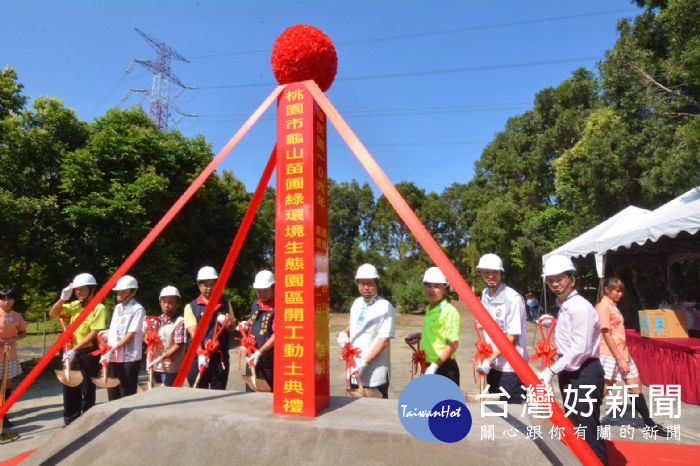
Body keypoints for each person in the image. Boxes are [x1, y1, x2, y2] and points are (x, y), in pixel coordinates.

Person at [538, 255, 607, 465]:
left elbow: (580, 349)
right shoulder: (565, 306)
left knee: (587, 432)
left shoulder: (580, 307)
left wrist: (552, 370)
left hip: (584, 372)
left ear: (572, 279)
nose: (555, 284)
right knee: (574, 430)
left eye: (560, 278)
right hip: (571, 373)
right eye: (551, 280)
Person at [596, 277, 667, 435]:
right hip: (610, 353)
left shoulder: (613, 306)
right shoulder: (603, 307)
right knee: (605, 387)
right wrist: (619, 358)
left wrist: (623, 356)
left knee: (635, 385)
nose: (619, 293)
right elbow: (606, 333)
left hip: (622, 351)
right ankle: (585, 419)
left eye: (621, 290)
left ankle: (649, 424)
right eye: (616, 290)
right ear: (606, 290)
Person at [49, 273, 107, 425]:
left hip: (87, 352)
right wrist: (63, 298)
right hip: (70, 351)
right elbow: (53, 313)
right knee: (69, 386)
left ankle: (87, 421)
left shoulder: (98, 308)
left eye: (82, 289)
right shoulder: (74, 305)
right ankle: (70, 421)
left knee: (87, 389)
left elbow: (94, 332)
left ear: (91, 289)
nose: (78, 292)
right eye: (76, 289)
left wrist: (76, 349)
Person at [337, 264, 396, 399]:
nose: (366, 287)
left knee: (375, 414)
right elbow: (354, 326)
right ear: (357, 284)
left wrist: (364, 363)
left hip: (375, 374)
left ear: (377, 284)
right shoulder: (357, 303)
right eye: (362, 283)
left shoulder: (385, 307)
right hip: (354, 371)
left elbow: (384, 340)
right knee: (354, 412)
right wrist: (344, 333)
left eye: (370, 284)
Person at [475, 253, 527, 404]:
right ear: (481, 274)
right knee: (496, 416)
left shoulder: (513, 299)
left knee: (513, 415)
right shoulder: (485, 295)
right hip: (493, 367)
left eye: (494, 272)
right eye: (486, 272)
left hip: (511, 369)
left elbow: (512, 336)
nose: (490, 276)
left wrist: (491, 358)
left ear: (501, 273)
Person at [184, 266, 236, 389]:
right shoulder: (191, 307)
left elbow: (233, 327)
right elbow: (193, 332)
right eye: (205, 285)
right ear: (199, 285)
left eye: (211, 284)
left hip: (219, 357)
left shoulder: (225, 303)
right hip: (198, 357)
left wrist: (228, 323)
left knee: (218, 394)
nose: (208, 288)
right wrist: (201, 353)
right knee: (198, 394)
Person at [105, 275, 146, 400]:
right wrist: (104, 337)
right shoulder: (117, 308)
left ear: (132, 292)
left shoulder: (138, 309)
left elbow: (131, 333)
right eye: (118, 290)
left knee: (126, 395)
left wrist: (115, 347)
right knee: (112, 393)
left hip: (129, 358)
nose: (119, 293)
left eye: (123, 291)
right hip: (113, 357)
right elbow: (114, 330)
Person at [417, 267, 460, 385]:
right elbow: (437, 332)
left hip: (444, 368)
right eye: (428, 286)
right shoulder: (429, 308)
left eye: (436, 286)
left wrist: (435, 366)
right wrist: (420, 335)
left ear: (444, 287)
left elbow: (453, 344)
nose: (432, 290)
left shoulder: (449, 311)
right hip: (428, 365)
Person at [147, 286, 187, 387]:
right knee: (155, 395)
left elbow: (178, 345)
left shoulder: (180, 322)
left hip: (171, 368)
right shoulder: (156, 320)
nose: (166, 305)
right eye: (164, 302)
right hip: (156, 366)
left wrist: (161, 358)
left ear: (177, 303)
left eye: (170, 302)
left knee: (170, 396)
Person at [243, 270, 276, 392]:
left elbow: (277, 335)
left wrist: (260, 352)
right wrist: (246, 324)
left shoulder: (279, 306)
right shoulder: (256, 304)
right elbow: (254, 321)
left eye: (265, 290)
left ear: (273, 287)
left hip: (268, 362)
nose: (261, 294)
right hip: (251, 358)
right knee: (251, 395)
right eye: (258, 290)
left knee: (266, 398)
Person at [0, 289, 26, 428]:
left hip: (9, 354)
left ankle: (4, 415)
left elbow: (23, 333)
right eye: (3, 299)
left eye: (9, 299)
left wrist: (14, 339)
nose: (6, 302)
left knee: (6, 385)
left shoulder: (17, 316)